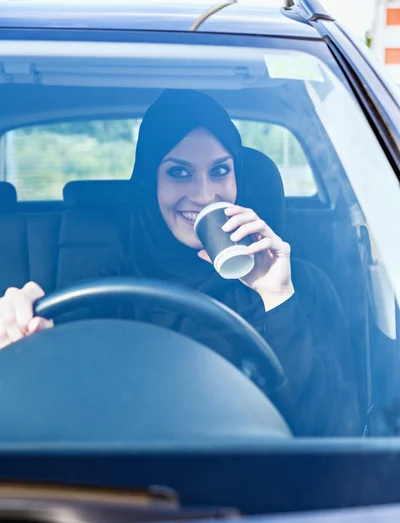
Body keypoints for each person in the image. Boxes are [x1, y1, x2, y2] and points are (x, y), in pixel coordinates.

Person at [0, 89, 360, 436]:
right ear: (148, 183)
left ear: (239, 178)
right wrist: (20, 332)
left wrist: (277, 298)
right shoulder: (104, 299)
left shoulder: (301, 286)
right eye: (178, 172)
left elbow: (331, 433)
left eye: (220, 171)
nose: (204, 195)